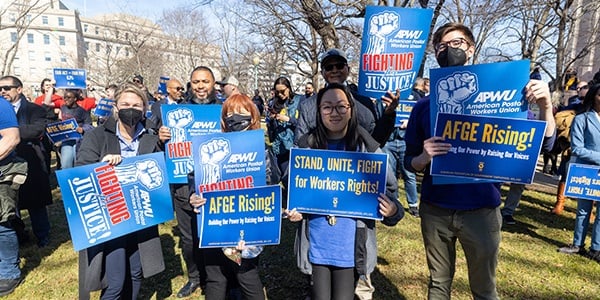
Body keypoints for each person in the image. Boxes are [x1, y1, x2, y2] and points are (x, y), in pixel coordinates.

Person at [404, 22, 556, 299]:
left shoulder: (505, 98)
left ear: (471, 49)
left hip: (481, 209)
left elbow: (544, 144)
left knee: (484, 289)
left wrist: (545, 105)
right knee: (438, 284)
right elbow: (408, 162)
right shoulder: (423, 106)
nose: (449, 50)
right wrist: (424, 157)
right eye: (441, 46)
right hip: (435, 209)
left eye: (457, 43)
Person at [286, 83, 403, 299]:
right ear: (318, 111)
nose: (334, 113)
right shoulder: (306, 147)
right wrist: (294, 209)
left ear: (351, 109)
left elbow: (392, 194)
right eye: (327, 107)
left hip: (350, 248)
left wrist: (393, 210)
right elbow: (292, 189)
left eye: (341, 106)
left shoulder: (368, 148)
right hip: (317, 245)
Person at [76, 83, 165, 299]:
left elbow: (161, 172)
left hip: (140, 214)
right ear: (116, 107)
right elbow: (79, 170)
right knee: (115, 281)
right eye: (125, 104)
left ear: (144, 109)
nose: (131, 109)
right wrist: (101, 166)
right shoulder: (97, 136)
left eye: (136, 105)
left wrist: (164, 145)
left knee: (136, 272)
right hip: (111, 217)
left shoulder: (151, 137)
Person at [189, 93, 280, 300]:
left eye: (241, 113)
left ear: (252, 116)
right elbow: (195, 178)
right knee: (216, 278)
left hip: (246, 224)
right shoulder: (208, 148)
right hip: (215, 222)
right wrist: (194, 195)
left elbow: (270, 184)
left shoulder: (262, 150)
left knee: (247, 276)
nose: (235, 118)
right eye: (230, 114)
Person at [157, 66, 222, 297]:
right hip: (183, 183)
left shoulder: (223, 111)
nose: (201, 86)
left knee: (214, 234)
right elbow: (165, 151)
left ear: (213, 84)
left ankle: (218, 278)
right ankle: (195, 277)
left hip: (216, 183)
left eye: (205, 81)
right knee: (188, 238)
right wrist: (162, 139)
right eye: (196, 82)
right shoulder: (177, 113)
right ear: (190, 84)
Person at [295, 48, 398, 147]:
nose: (334, 70)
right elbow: (300, 143)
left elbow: (376, 142)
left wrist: (388, 115)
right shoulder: (307, 106)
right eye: (329, 67)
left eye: (339, 66)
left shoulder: (365, 102)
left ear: (348, 70)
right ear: (322, 73)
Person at [5, 75, 53, 248]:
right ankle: (19, 234)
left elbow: (36, 130)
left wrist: (9, 131)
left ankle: (43, 235)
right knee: (10, 201)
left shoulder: (35, 109)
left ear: (19, 89)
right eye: (0, 89)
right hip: (5, 162)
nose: (3, 91)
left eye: (7, 88)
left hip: (31, 159)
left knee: (36, 203)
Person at [557, 83, 600, 262]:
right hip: (586, 170)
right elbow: (577, 148)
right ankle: (577, 244)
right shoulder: (582, 119)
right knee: (583, 209)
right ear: (593, 96)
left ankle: (596, 248)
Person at [0, 76, 28, 297]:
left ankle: (9, 272)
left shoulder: (1, 105)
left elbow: (11, 138)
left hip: (3, 170)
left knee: (2, 222)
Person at [266, 76, 301, 175]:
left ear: (289, 88)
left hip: (294, 144)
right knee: (283, 176)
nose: (280, 95)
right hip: (279, 145)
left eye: (282, 91)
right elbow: (272, 127)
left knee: (292, 176)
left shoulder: (299, 101)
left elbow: (303, 123)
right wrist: (272, 119)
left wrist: (288, 119)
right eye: (277, 92)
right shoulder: (274, 103)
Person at [57, 89, 94, 169]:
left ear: (75, 99)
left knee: (77, 164)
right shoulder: (63, 108)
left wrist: (82, 129)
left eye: (69, 97)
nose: (66, 99)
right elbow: (60, 120)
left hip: (78, 141)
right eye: (65, 97)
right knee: (65, 164)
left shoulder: (82, 111)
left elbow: (90, 125)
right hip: (66, 140)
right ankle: (66, 180)